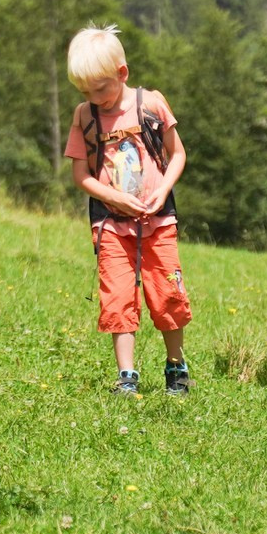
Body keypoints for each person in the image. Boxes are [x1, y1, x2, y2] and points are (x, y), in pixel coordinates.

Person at [64, 27, 195, 397]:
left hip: (158, 221)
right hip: (110, 224)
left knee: (167, 294)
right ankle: (127, 376)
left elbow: (177, 154)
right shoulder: (84, 116)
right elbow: (81, 175)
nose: (94, 99)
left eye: (100, 89)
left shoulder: (151, 104)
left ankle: (176, 366)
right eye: (85, 92)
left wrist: (163, 190)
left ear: (122, 73)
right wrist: (113, 198)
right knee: (117, 297)